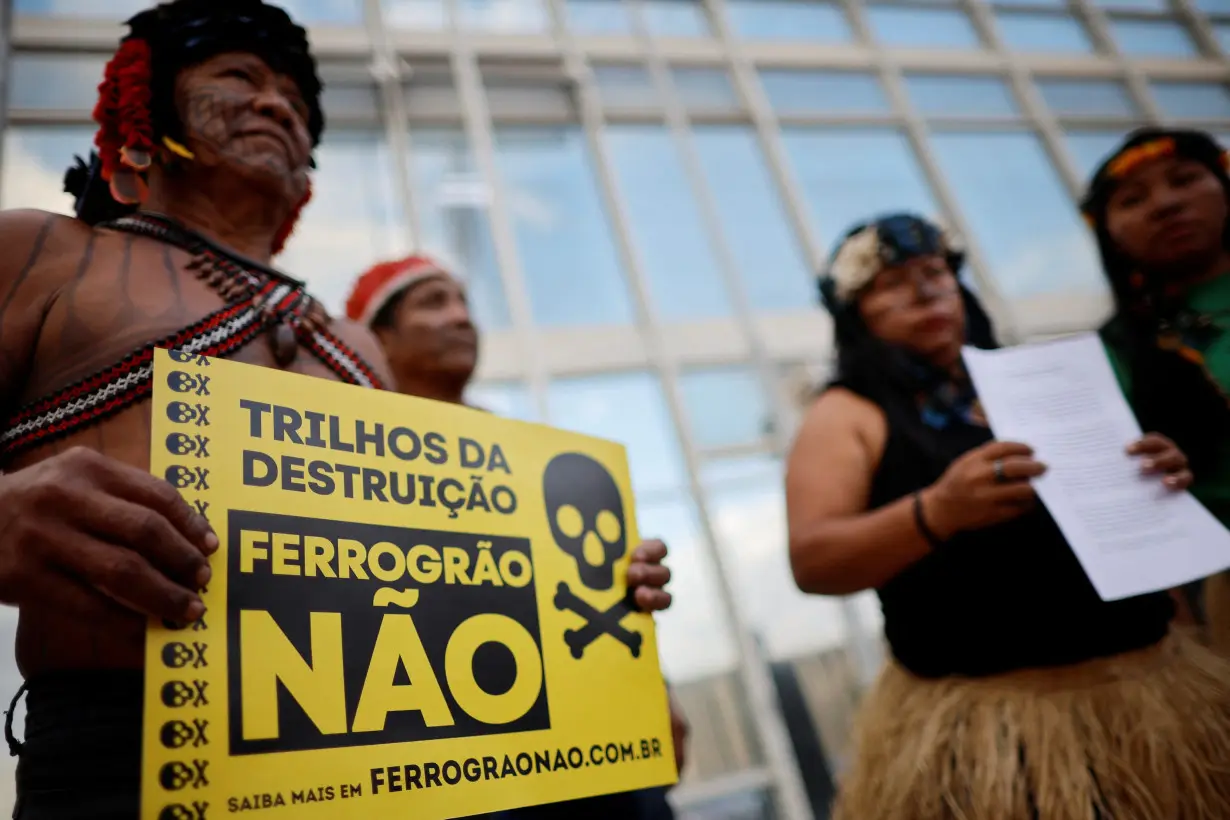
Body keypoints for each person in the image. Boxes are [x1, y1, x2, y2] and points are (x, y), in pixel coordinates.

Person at [0, 3, 669, 818]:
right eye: (238, 77)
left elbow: (433, 565)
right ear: (144, 107)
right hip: (126, 763)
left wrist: (588, 587)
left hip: (394, 761)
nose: (278, 105)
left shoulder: (355, 343)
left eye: (294, 97)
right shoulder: (39, 254)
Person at [784, 212, 1230, 819]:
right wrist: (937, 511)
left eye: (936, 273)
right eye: (892, 284)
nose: (925, 292)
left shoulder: (1036, 382)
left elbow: (1123, 540)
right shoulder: (846, 413)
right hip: (993, 725)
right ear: (855, 315)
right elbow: (814, 560)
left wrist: (1152, 479)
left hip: (1148, 690)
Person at [346, 255, 688, 819]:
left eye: (464, 302)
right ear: (378, 336)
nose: (461, 317)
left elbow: (586, 590)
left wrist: (653, 681)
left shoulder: (535, 459)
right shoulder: (347, 458)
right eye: (433, 302)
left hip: (601, 762)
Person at [1082, 127, 1230, 653]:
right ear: (1109, 234)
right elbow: (1136, 506)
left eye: (1185, 180)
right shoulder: (1114, 354)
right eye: (1133, 200)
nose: (1166, 204)